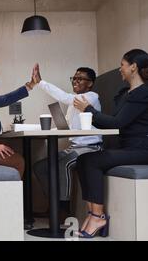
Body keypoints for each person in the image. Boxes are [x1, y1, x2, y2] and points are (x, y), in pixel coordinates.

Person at [73, 49, 148, 238]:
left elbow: (117, 123)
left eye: (122, 65)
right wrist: (88, 112)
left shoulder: (143, 93)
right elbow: (113, 121)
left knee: (91, 161)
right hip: (127, 147)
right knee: (83, 160)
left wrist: (88, 109)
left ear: (133, 67)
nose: (120, 70)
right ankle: (92, 214)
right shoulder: (125, 93)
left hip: (141, 149)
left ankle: (98, 217)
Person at [33, 65, 103, 217]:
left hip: (90, 148)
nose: (75, 81)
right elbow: (65, 128)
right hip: (74, 148)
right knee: (40, 167)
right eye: (74, 78)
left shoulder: (91, 97)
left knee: (63, 164)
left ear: (90, 83)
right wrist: (41, 130)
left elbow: (65, 97)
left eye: (80, 79)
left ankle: (64, 209)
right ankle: (53, 205)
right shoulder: (74, 105)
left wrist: (40, 82)